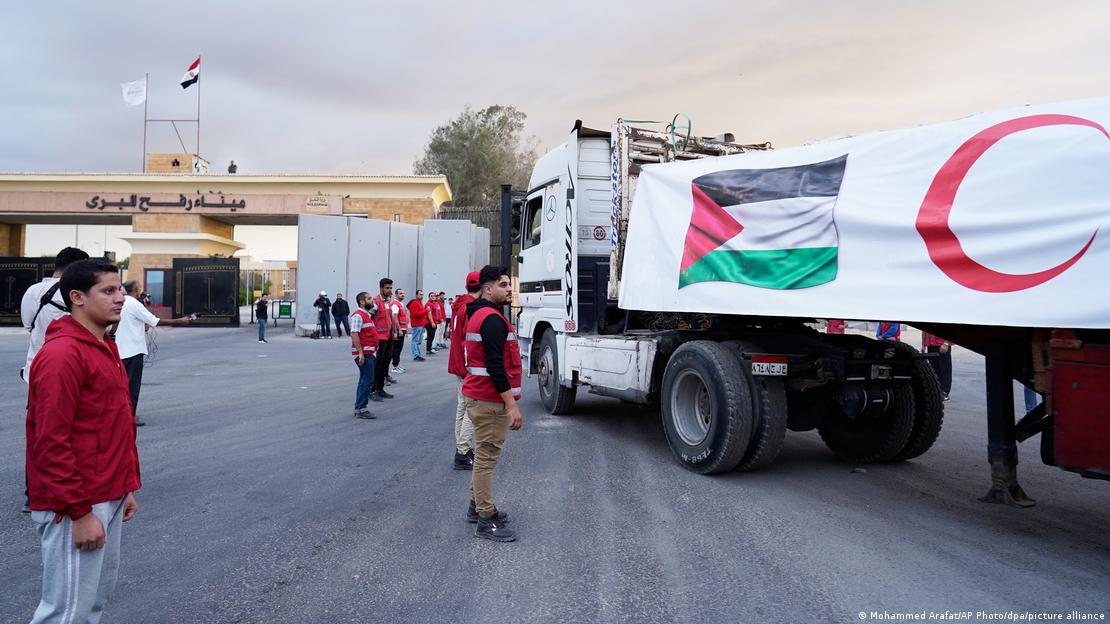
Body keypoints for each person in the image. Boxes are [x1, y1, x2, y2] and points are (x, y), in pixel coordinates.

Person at [26, 258, 141, 624]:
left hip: (106, 493)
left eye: (120, 289)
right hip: (75, 504)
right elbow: (50, 441)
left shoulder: (103, 345)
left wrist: (125, 488)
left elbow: (111, 425)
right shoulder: (63, 354)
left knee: (91, 606)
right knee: (64, 614)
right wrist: (78, 511)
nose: (120, 298)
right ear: (77, 297)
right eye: (108, 291)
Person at [462, 265, 523, 542]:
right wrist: (512, 406)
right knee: (485, 460)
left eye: (508, 284)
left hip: (480, 397)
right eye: (502, 285)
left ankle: (478, 508)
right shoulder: (492, 320)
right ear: (488, 289)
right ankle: (485, 520)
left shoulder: (480, 314)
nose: (509, 289)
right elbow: (496, 367)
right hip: (488, 400)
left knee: (482, 459)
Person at [116, 280, 192, 426]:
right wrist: (180, 320)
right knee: (132, 387)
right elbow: (155, 321)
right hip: (133, 350)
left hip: (121, 349)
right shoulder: (134, 304)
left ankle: (121, 414)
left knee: (122, 385)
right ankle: (129, 417)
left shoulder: (122, 302)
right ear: (137, 290)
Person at [20, 246, 90, 383]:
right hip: (69, 369)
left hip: (35, 368)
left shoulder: (32, 291)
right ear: (79, 269)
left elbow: (28, 325)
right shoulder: (79, 294)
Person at [448, 272, 480, 470]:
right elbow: (468, 342)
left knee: (462, 407)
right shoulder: (470, 308)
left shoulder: (459, 305)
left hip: (458, 364)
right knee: (471, 408)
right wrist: (471, 368)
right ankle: (462, 451)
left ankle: (462, 449)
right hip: (467, 366)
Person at [349, 292, 379, 419]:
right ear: (362, 302)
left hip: (369, 353)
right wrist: (360, 353)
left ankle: (359, 407)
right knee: (367, 381)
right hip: (365, 353)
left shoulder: (366, 315)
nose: (372, 301)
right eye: (369, 299)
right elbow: (354, 334)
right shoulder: (358, 315)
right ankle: (361, 408)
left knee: (364, 380)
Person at [371, 278, 397, 401]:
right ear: (381, 288)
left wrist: (395, 331)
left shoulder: (387, 301)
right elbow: (369, 318)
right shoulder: (375, 301)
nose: (389, 290)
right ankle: (373, 390)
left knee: (385, 364)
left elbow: (389, 318)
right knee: (378, 365)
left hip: (389, 337)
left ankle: (380, 389)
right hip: (379, 338)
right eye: (387, 288)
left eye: (390, 288)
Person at [921, 331, 953, 401]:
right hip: (930, 344)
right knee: (933, 370)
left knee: (944, 370)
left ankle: (945, 392)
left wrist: (946, 343)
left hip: (942, 345)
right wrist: (923, 344)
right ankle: (936, 391)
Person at [391, 289, 409, 374]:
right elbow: (394, 317)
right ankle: (394, 366)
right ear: (396, 294)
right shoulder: (395, 304)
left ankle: (397, 365)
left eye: (403, 293)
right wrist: (399, 329)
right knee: (396, 349)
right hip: (399, 330)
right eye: (400, 293)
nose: (403, 295)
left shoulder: (401, 304)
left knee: (399, 348)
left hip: (402, 329)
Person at [408, 290, 428, 362]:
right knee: (415, 340)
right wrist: (426, 311)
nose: (421, 296)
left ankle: (418, 355)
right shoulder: (415, 303)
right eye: (420, 294)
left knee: (418, 341)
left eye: (422, 295)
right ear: (416, 295)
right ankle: (416, 355)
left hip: (420, 325)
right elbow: (415, 314)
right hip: (417, 324)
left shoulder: (419, 303)